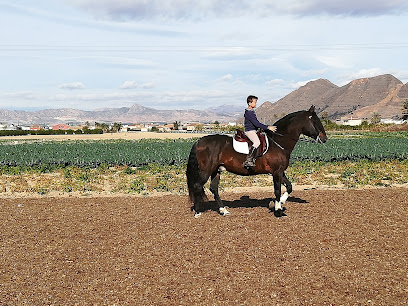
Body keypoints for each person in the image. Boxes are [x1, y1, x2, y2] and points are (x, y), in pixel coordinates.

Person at [243, 95, 277, 169]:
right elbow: (256, 123)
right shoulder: (249, 112)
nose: (256, 104)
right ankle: (249, 159)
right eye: (254, 102)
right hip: (250, 131)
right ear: (249, 103)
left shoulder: (251, 111)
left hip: (254, 130)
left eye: (256, 102)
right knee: (257, 142)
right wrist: (268, 127)